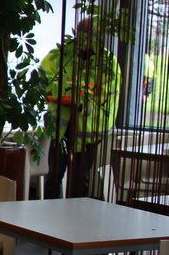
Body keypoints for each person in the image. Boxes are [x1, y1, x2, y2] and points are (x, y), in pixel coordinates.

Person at [41, 17, 120, 198]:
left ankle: (76, 214)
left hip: (88, 132)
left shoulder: (108, 62)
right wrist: (83, 90)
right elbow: (44, 85)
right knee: (54, 177)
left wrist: (69, 87)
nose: (85, 38)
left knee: (80, 180)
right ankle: (50, 213)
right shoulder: (59, 55)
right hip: (61, 129)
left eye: (90, 34)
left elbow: (103, 94)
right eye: (82, 33)